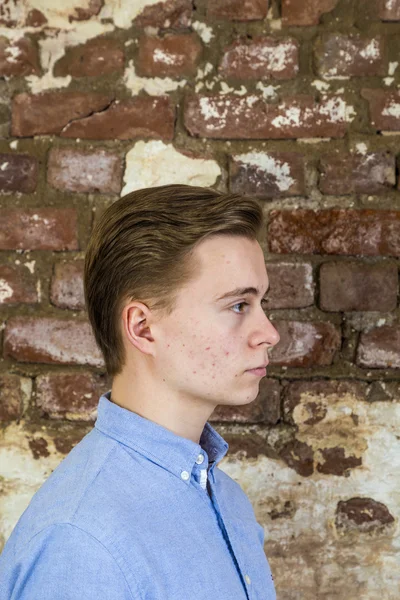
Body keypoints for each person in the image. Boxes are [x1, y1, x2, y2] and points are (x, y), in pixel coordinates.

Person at [0, 184, 280, 599]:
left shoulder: (226, 501)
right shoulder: (82, 543)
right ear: (142, 328)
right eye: (239, 305)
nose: (269, 333)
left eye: (261, 303)